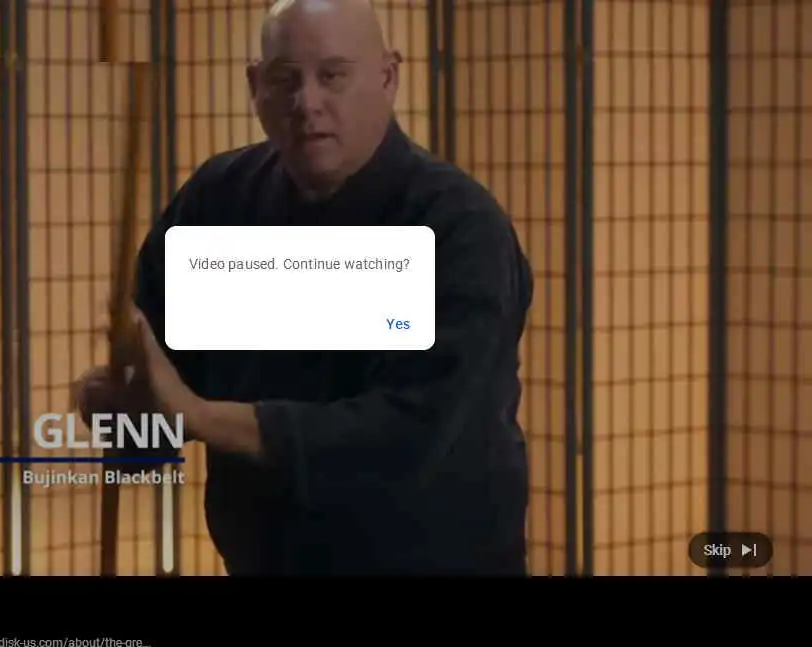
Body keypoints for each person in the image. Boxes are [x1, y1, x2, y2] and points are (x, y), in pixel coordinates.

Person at [74, 0, 534, 575]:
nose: (307, 102)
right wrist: (119, 404)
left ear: (388, 77)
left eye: (333, 75)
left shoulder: (457, 226)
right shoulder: (219, 201)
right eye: (284, 79)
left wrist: (199, 415)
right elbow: (163, 388)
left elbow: (413, 431)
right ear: (254, 86)